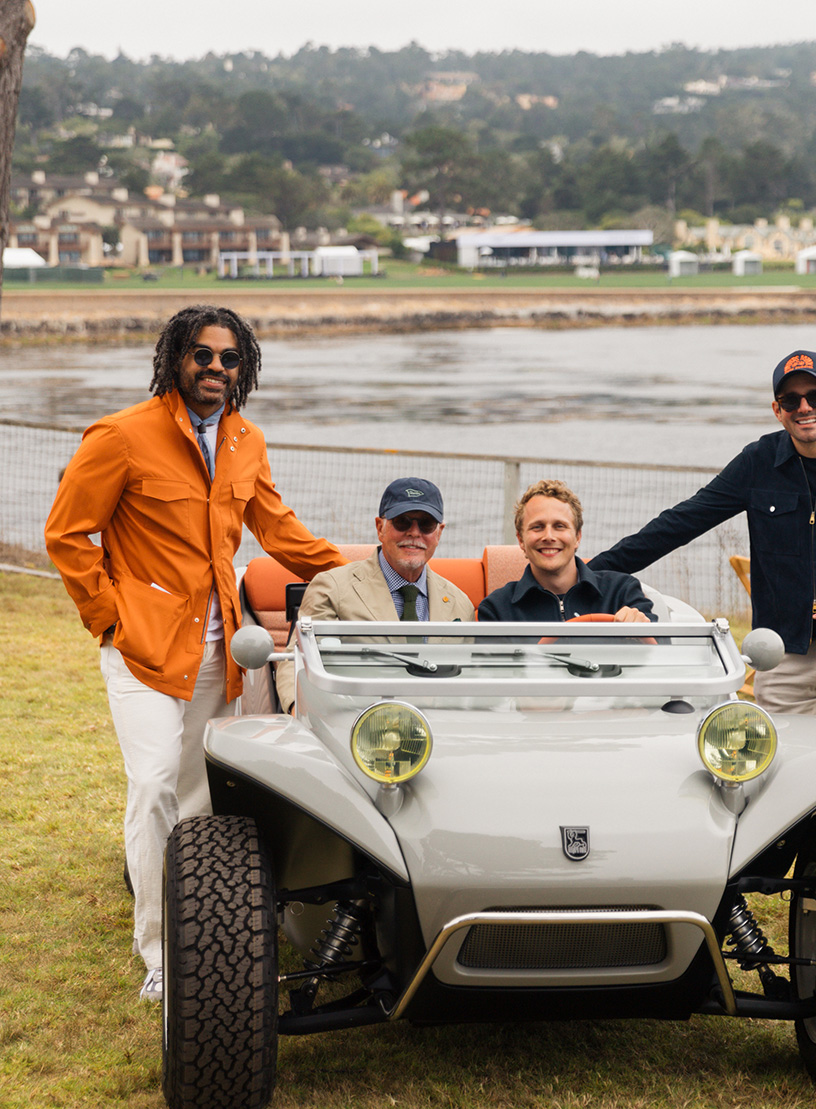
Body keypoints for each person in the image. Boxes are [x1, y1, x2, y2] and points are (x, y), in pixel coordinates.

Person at [45, 305, 346, 1002]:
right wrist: (110, 619)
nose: (216, 369)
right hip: (144, 649)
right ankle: (159, 954)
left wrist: (369, 571)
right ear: (175, 357)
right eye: (202, 356)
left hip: (224, 653)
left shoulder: (247, 441)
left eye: (230, 359)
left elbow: (280, 532)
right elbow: (67, 534)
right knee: (151, 786)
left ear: (246, 369)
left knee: (200, 797)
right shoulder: (120, 436)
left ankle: (199, 929)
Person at [589, 349, 816, 802]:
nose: (804, 408)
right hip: (781, 651)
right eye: (790, 401)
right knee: (784, 781)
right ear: (777, 410)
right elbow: (681, 522)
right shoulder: (758, 461)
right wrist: (586, 573)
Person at [275, 476, 475, 713]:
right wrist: (299, 710)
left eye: (426, 524)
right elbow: (297, 662)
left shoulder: (460, 605)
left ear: (439, 532)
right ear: (380, 527)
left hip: (436, 728)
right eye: (402, 522)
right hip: (357, 727)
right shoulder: (331, 588)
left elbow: (469, 680)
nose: (414, 533)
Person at [478, 479, 656, 623]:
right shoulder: (497, 609)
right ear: (521, 540)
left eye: (560, 526)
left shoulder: (622, 592)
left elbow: (661, 653)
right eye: (537, 527)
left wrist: (640, 632)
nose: (548, 536)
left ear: (577, 537)